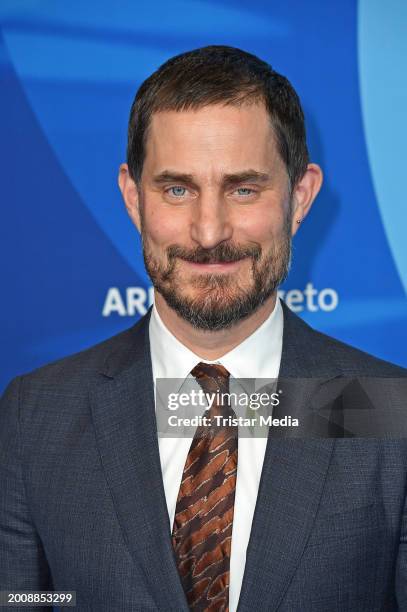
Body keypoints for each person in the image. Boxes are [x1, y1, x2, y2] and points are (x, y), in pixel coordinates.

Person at [0, 45, 406, 612]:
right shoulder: (35, 416)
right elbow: (26, 601)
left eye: (243, 189)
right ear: (133, 198)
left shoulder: (390, 411)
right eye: (177, 189)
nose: (209, 230)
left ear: (300, 197)